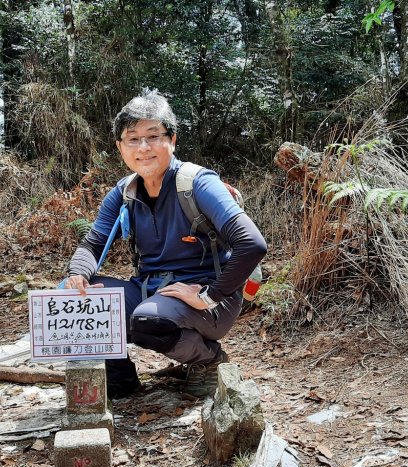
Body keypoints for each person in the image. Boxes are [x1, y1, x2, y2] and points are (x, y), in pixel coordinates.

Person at [64, 90, 267, 398]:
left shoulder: (197, 183)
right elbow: (93, 244)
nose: (143, 147)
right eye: (132, 139)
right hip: (151, 289)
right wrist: (78, 274)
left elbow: (251, 243)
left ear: (172, 140)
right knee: (73, 298)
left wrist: (210, 294)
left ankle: (209, 361)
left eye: (153, 136)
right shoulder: (125, 192)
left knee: (149, 321)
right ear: (120, 147)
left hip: (208, 299)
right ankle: (119, 378)